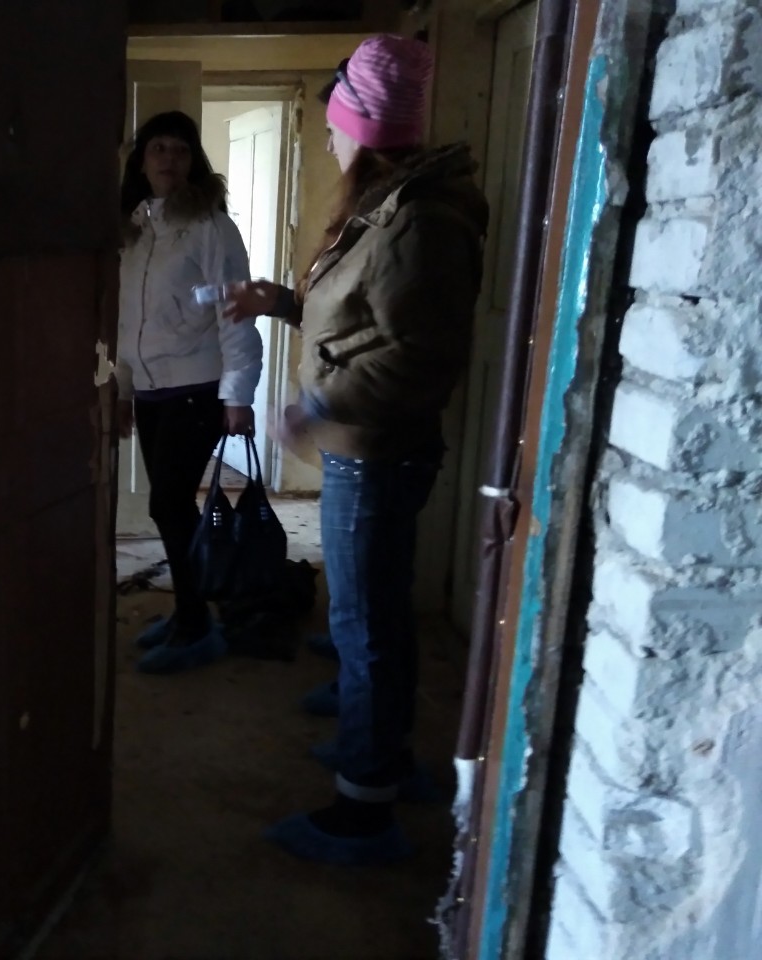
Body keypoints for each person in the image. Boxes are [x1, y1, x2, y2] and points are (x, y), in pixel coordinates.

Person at [224, 35, 489, 864]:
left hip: (373, 452)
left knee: (362, 623)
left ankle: (364, 812)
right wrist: (283, 303)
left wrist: (316, 404)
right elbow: (371, 318)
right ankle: (386, 756)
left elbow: (418, 355)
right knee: (374, 614)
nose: (331, 138)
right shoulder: (391, 208)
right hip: (370, 446)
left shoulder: (420, 219)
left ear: (364, 131)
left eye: (336, 125)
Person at [116, 110, 263, 676]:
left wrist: (238, 395)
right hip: (150, 390)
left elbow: (235, 312)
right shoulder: (133, 229)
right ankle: (189, 612)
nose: (169, 159)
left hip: (196, 386)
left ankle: (196, 626)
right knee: (172, 505)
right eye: (158, 148)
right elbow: (123, 321)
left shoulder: (211, 227)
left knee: (168, 505)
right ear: (141, 161)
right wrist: (122, 389)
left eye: (180, 150)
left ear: (193, 161)